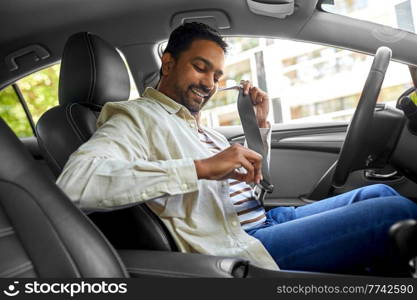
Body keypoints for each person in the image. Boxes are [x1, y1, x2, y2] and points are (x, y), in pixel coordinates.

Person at [57, 22, 417, 275]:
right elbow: (76, 184)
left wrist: (258, 129)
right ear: (168, 63)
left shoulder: (197, 127)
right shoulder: (134, 117)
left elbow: (253, 187)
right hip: (239, 244)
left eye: (217, 76)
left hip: (264, 220)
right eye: (201, 68)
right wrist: (199, 168)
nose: (210, 84)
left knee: (380, 192)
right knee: (394, 212)